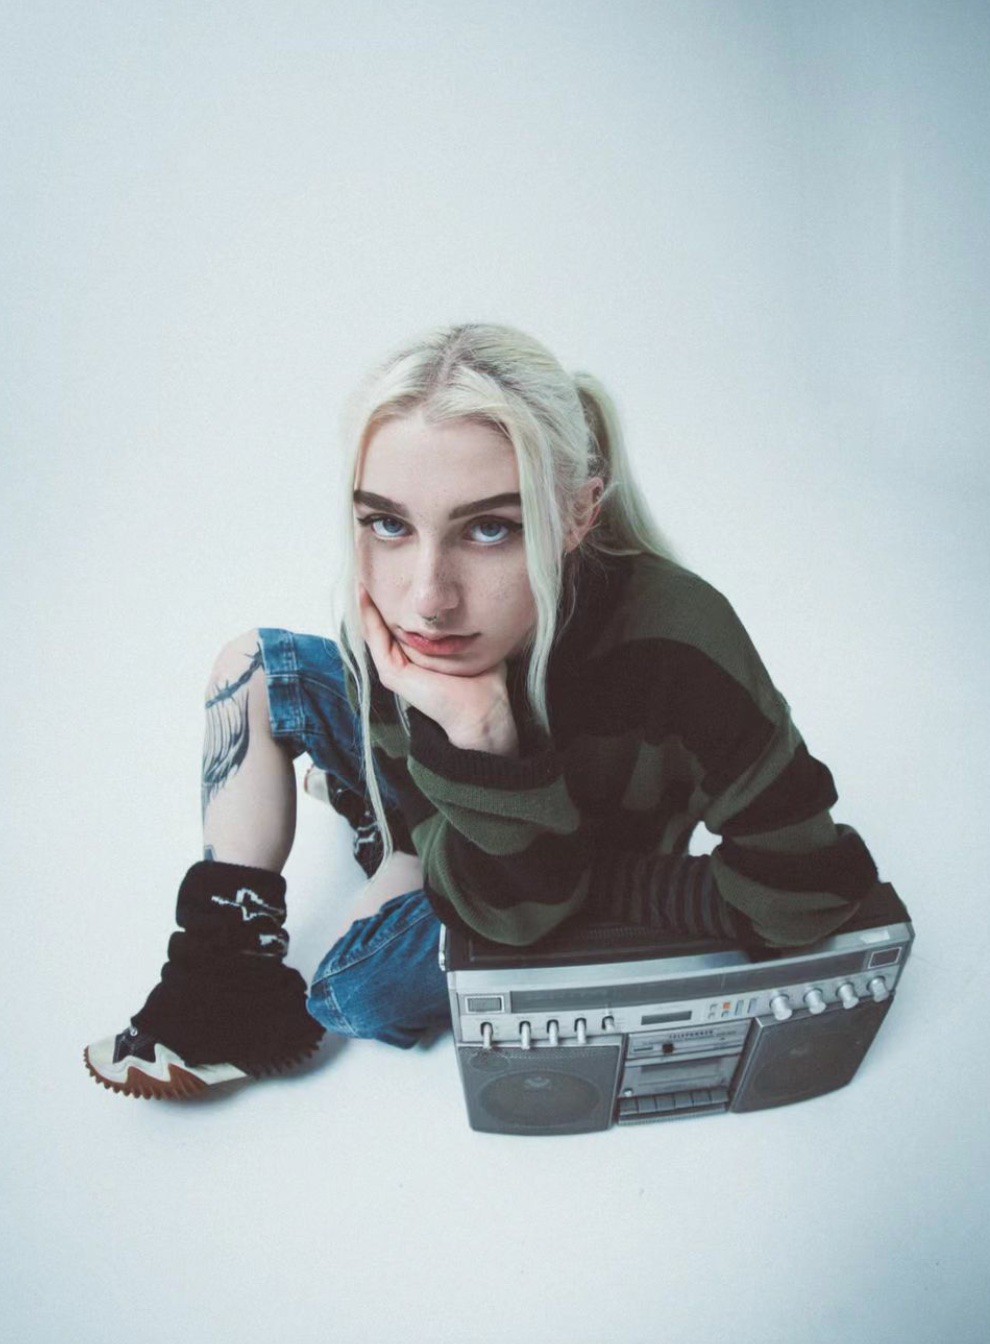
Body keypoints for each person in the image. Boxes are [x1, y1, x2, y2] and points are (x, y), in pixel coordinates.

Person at [84, 322, 882, 1098]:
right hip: (442, 817)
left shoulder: (680, 642)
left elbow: (805, 890)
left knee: (351, 992)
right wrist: (419, 813)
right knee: (255, 668)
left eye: (491, 528)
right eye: (388, 523)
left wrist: (487, 744)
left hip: (532, 883)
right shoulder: (388, 604)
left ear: (578, 514)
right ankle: (228, 969)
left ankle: (382, 829)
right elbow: (395, 736)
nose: (427, 599)